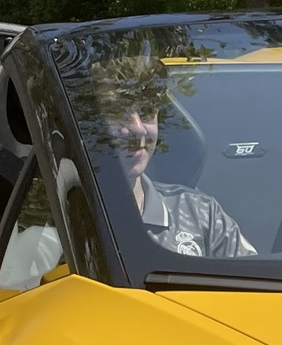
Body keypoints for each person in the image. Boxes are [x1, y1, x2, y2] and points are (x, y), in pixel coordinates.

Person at [90, 63, 253, 259]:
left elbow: (261, 283)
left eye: (147, 111)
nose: (139, 129)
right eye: (116, 113)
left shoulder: (201, 215)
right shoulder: (60, 225)